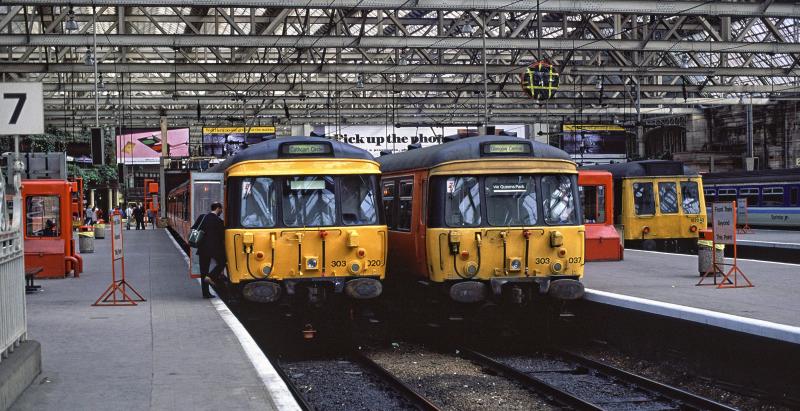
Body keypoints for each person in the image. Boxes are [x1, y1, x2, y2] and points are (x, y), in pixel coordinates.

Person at [191, 202, 226, 298]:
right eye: (221, 209)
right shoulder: (219, 221)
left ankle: (205, 294)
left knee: (203, 271)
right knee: (223, 262)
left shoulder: (202, 217)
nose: (221, 211)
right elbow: (222, 237)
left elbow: (194, 228)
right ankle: (211, 276)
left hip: (202, 248)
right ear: (218, 208)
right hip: (215, 249)